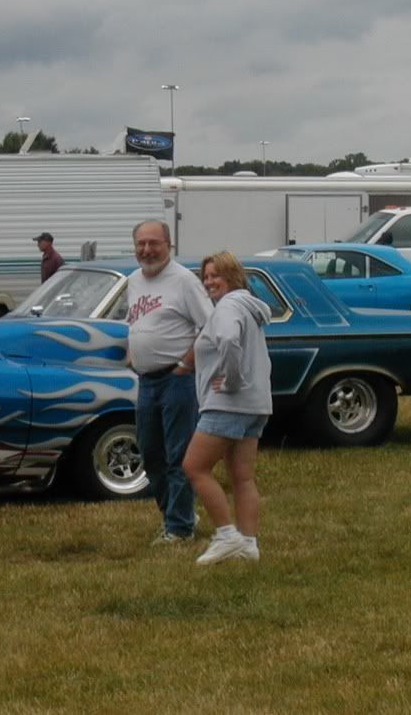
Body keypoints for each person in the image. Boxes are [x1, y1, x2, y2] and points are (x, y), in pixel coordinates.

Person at [182, 251, 272, 565]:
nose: (209, 282)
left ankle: (226, 535)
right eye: (205, 277)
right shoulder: (248, 306)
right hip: (255, 405)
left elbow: (230, 341)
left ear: (233, 276)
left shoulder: (228, 307)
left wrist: (232, 382)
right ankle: (248, 543)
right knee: (242, 476)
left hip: (227, 404)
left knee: (194, 467)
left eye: (215, 275)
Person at [127, 219, 213, 543]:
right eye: (141, 244)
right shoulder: (133, 281)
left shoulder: (184, 281)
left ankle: (179, 527)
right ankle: (178, 513)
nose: (147, 250)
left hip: (176, 381)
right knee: (150, 454)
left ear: (168, 245)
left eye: (154, 243)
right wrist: (133, 353)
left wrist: (185, 364)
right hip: (146, 381)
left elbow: (210, 326)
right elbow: (135, 322)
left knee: (179, 455)